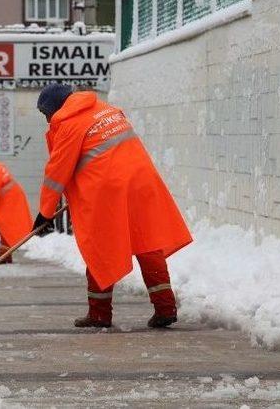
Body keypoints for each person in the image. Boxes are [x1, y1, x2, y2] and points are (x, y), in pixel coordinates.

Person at [33, 84, 193, 329]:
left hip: (108, 189)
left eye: (46, 114)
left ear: (55, 108)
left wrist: (45, 213)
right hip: (141, 181)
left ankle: (99, 314)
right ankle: (165, 306)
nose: (47, 120)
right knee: (147, 242)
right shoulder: (106, 110)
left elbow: (56, 173)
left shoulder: (68, 124)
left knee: (100, 248)